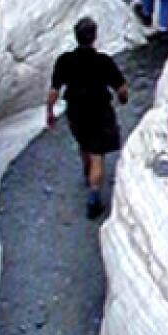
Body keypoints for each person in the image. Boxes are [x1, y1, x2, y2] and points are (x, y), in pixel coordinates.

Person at [46, 17, 128, 219]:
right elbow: (122, 88)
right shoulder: (103, 62)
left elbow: (54, 90)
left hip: (75, 111)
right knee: (97, 153)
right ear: (94, 37)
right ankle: (93, 198)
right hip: (99, 111)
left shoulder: (64, 61)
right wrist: (123, 99)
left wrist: (49, 112)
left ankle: (87, 171)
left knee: (84, 143)